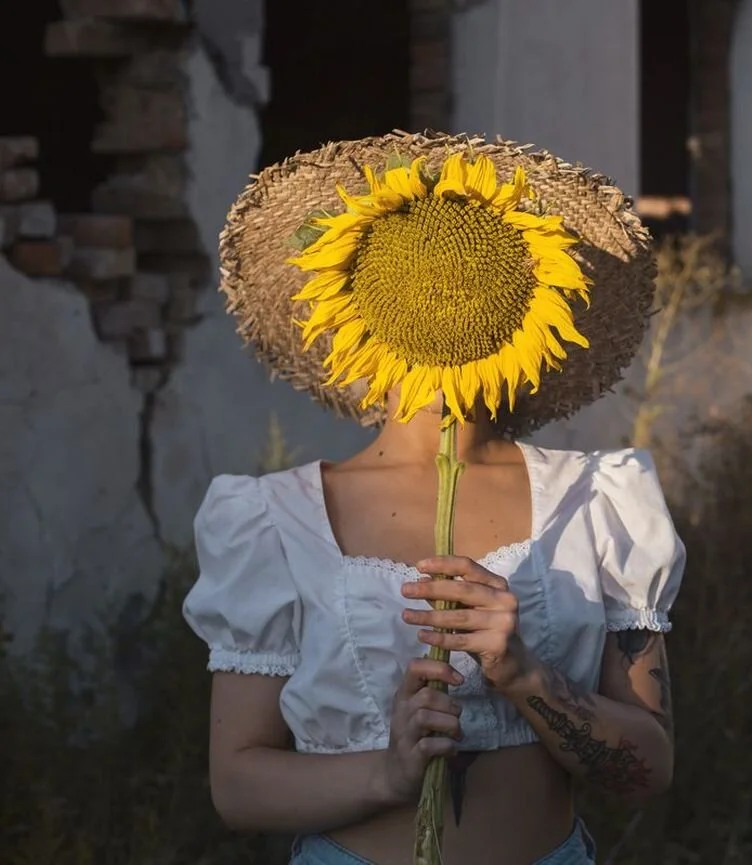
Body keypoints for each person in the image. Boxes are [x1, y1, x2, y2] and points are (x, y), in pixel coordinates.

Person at [182, 133, 684, 865]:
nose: (445, 291)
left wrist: (525, 675)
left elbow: (648, 769)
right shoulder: (275, 521)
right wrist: (387, 773)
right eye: (416, 275)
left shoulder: (596, 501)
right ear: (348, 304)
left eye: (470, 275)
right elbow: (238, 787)